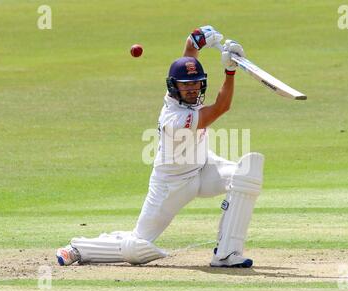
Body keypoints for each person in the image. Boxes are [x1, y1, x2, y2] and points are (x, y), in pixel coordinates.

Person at [56, 26, 264, 268]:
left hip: (203, 167)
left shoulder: (183, 91)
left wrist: (196, 39)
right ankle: (78, 249)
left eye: (196, 83)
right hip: (172, 185)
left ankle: (227, 254)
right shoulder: (174, 119)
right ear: (173, 86)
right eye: (186, 85)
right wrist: (229, 71)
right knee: (138, 246)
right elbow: (220, 108)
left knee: (245, 174)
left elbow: (188, 57)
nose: (192, 89)